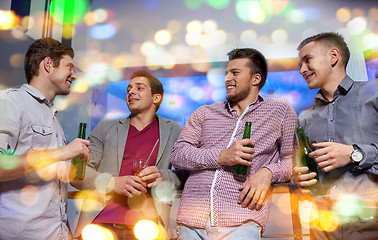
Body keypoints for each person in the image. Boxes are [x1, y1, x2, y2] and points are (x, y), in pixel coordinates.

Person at [170, 48, 297, 239]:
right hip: (191, 221)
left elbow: (293, 161)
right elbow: (178, 154)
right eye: (227, 73)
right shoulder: (205, 112)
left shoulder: (280, 111)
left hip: (242, 223)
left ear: (255, 79)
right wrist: (221, 157)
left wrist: (269, 172)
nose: (226, 78)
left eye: (235, 73)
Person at [71, 71, 187, 240]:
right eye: (129, 89)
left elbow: (187, 176)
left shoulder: (174, 131)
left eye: (139, 88)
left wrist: (163, 176)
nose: (131, 92)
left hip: (149, 229)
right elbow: (77, 174)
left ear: (156, 98)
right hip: (100, 225)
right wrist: (111, 182)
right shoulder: (105, 128)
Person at [0, 37, 91, 240]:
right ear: (48, 64)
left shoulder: (53, 118)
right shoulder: (10, 102)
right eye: (69, 67)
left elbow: (51, 185)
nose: (74, 76)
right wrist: (63, 152)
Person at [293, 32, 378, 239]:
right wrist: (298, 178)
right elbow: (299, 172)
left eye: (308, 60)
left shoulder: (373, 94)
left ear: (333, 56)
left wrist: (354, 154)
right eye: (300, 65)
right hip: (322, 227)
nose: (303, 70)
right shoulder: (305, 118)